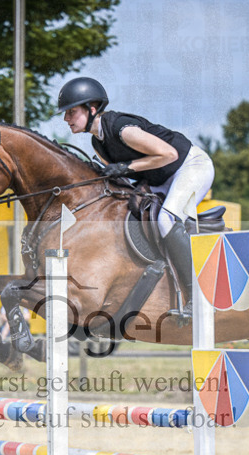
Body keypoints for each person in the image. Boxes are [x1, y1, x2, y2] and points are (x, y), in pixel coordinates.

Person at [56, 77, 214, 303]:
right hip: (161, 176)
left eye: (71, 112)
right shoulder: (97, 143)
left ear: (91, 109)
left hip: (190, 166)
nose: (66, 118)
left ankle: (197, 295)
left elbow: (169, 154)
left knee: (166, 219)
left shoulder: (122, 129)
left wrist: (125, 167)